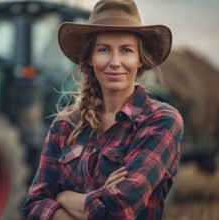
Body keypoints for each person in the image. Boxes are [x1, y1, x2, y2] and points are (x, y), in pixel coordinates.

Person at [22, 0, 184, 219]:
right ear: (90, 58)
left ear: (140, 60)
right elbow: (33, 206)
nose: (115, 61)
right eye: (104, 49)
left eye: (126, 50)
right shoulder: (64, 125)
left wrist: (64, 198)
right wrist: (101, 196)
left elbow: (119, 207)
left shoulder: (161, 120)